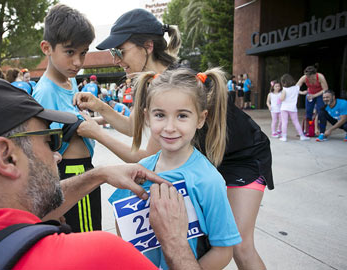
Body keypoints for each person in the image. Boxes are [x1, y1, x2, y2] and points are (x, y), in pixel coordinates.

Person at [74, 8, 273, 269]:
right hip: (210, 155)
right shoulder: (151, 82)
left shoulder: (180, 81)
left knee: (241, 246)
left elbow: (144, 157)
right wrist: (101, 107)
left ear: (147, 46)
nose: (116, 59)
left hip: (243, 156)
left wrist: (97, 133)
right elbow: (135, 126)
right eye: (114, 53)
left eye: (120, 51)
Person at [0, 76, 198, 270]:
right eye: (50, 141)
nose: (57, 155)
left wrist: (98, 174)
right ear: (7, 156)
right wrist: (175, 243)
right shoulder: (97, 255)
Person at [109, 68, 241, 269]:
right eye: (160, 115)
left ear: (201, 119)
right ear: (147, 117)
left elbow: (223, 251)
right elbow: (122, 223)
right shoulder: (139, 171)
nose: (170, 127)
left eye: (182, 116)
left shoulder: (208, 180)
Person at [32, 4, 101, 232]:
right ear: (47, 48)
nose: (78, 62)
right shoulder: (44, 92)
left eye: (83, 53)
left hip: (84, 169)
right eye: (70, 52)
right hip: (71, 172)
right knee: (85, 238)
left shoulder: (69, 81)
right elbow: (39, 145)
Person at [279, 74, 310, 142]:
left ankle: (284, 137)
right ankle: (302, 136)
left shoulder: (285, 89)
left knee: (284, 122)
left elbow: (282, 98)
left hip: (284, 108)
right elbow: (301, 82)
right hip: (293, 108)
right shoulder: (296, 88)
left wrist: (280, 97)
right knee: (296, 122)